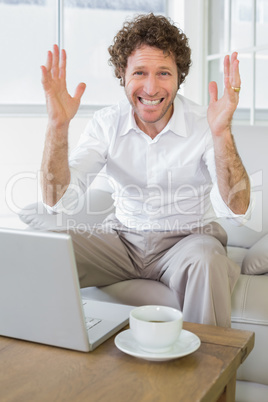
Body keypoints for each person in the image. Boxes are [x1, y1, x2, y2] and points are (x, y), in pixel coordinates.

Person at [40, 14, 251, 327]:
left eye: (164, 73)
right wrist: (58, 126)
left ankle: (208, 375)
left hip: (189, 241)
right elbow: (57, 200)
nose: (151, 88)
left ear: (179, 78)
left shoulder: (204, 122)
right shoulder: (106, 123)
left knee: (207, 262)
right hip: (122, 240)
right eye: (140, 72)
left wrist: (222, 134)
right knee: (41, 251)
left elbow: (238, 209)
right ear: (122, 75)